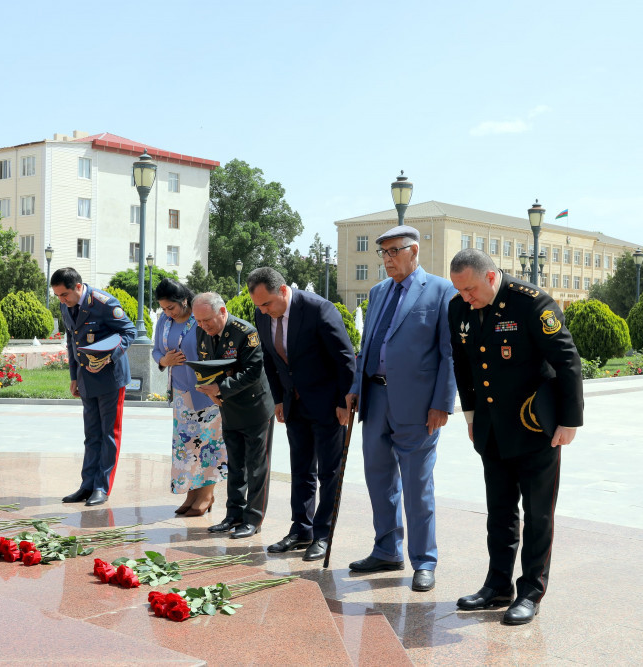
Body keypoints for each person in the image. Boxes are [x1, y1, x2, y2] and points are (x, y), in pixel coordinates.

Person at [447, 248, 583, 625]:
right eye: (459, 290)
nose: (465, 298)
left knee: (538, 514)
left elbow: (567, 360)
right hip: (491, 427)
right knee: (500, 511)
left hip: (534, 426)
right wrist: (471, 416)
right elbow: (463, 364)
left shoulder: (531, 303)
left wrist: (569, 421)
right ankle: (497, 586)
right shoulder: (458, 309)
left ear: (491, 277)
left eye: (470, 289)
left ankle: (531, 591)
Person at [345, 226, 456, 592]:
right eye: (384, 253)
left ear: (414, 250)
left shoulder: (441, 290)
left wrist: (442, 403)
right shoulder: (378, 292)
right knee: (379, 479)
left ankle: (424, 561)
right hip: (375, 399)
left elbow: (449, 354)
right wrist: (355, 388)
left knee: (417, 484)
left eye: (395, 251)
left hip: (418, 406)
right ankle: (386, 550)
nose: (388, 259)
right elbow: (367, 345)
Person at [247, 267, 356, 562]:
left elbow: (345, 358)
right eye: (259, 305)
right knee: (301, 470)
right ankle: (301, 530)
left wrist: (344, 402)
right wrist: (279, 399)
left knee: (329, 472)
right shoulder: (262, 313)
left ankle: (323, 534)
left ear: (283, 291)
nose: (263, 310)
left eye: (267, 303)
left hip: (328, 404)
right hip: (294, 405)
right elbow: (269, 359)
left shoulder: (319, 309)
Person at [191, 292, 274, 539]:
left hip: (254, 407)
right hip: (227, 406)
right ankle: (234, 515)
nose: (203, 326)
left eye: (207, 320)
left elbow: (253, 371)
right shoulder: (201, 331)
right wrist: (209, 390)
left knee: (256, 467)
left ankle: (254, 519)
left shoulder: (245, 333)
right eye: (198, 321)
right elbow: (207, 365)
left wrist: (219, 388)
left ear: (222, 311)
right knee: (235, 465)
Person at [51, 267, 136, 507]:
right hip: (86, 378)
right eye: (57, 296)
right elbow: (72, 341)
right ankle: (87, 485)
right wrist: (73, 376)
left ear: (78, 287)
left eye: (64, 294)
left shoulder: (104, 303)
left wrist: (109, 357)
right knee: (91, 434)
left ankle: (102, 487)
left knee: (109, 434)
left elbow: (129, 332)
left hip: (110, 378)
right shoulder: (66, 305)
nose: (62, 300)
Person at [151, 278, 226, 517]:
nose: (168, 313)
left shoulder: (200, 318)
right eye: (163, 308)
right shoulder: (164, 321)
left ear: (184, 300)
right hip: (181, 394)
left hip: (206, 392)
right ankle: (191, 494)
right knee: (187, 447)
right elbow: (156, 350)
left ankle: (206, 495)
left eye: (171, 307)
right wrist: (164, 361)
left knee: (208, 446)